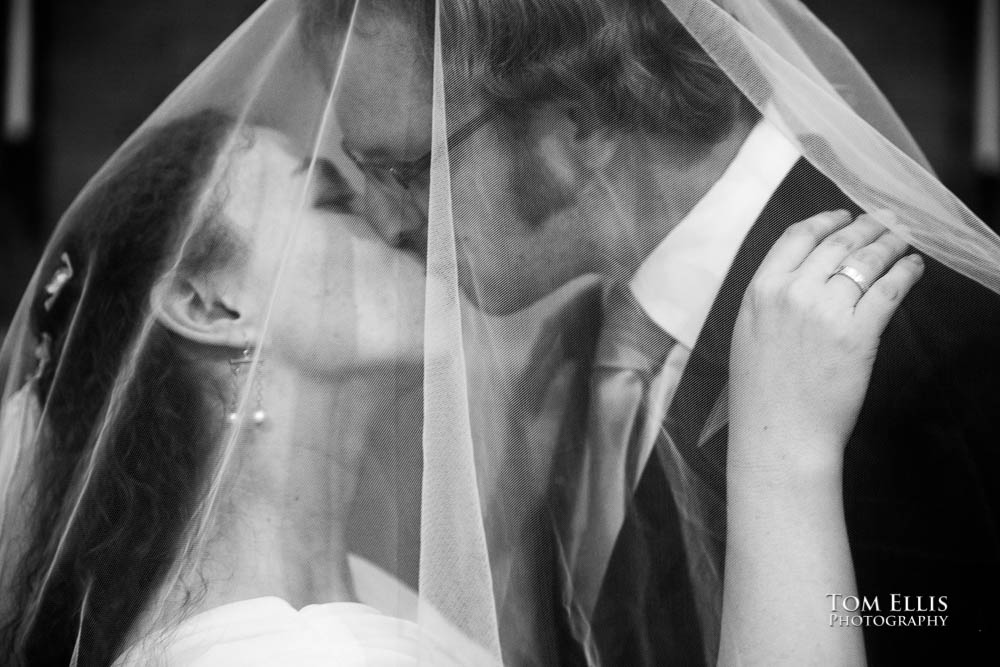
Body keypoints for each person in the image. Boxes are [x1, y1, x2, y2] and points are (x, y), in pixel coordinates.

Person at [303, 0, 1000, 664]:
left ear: (577, 126)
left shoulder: (938, 348)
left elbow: (928, 618)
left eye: (404, 170)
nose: (386, 220)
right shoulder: (591, 345)